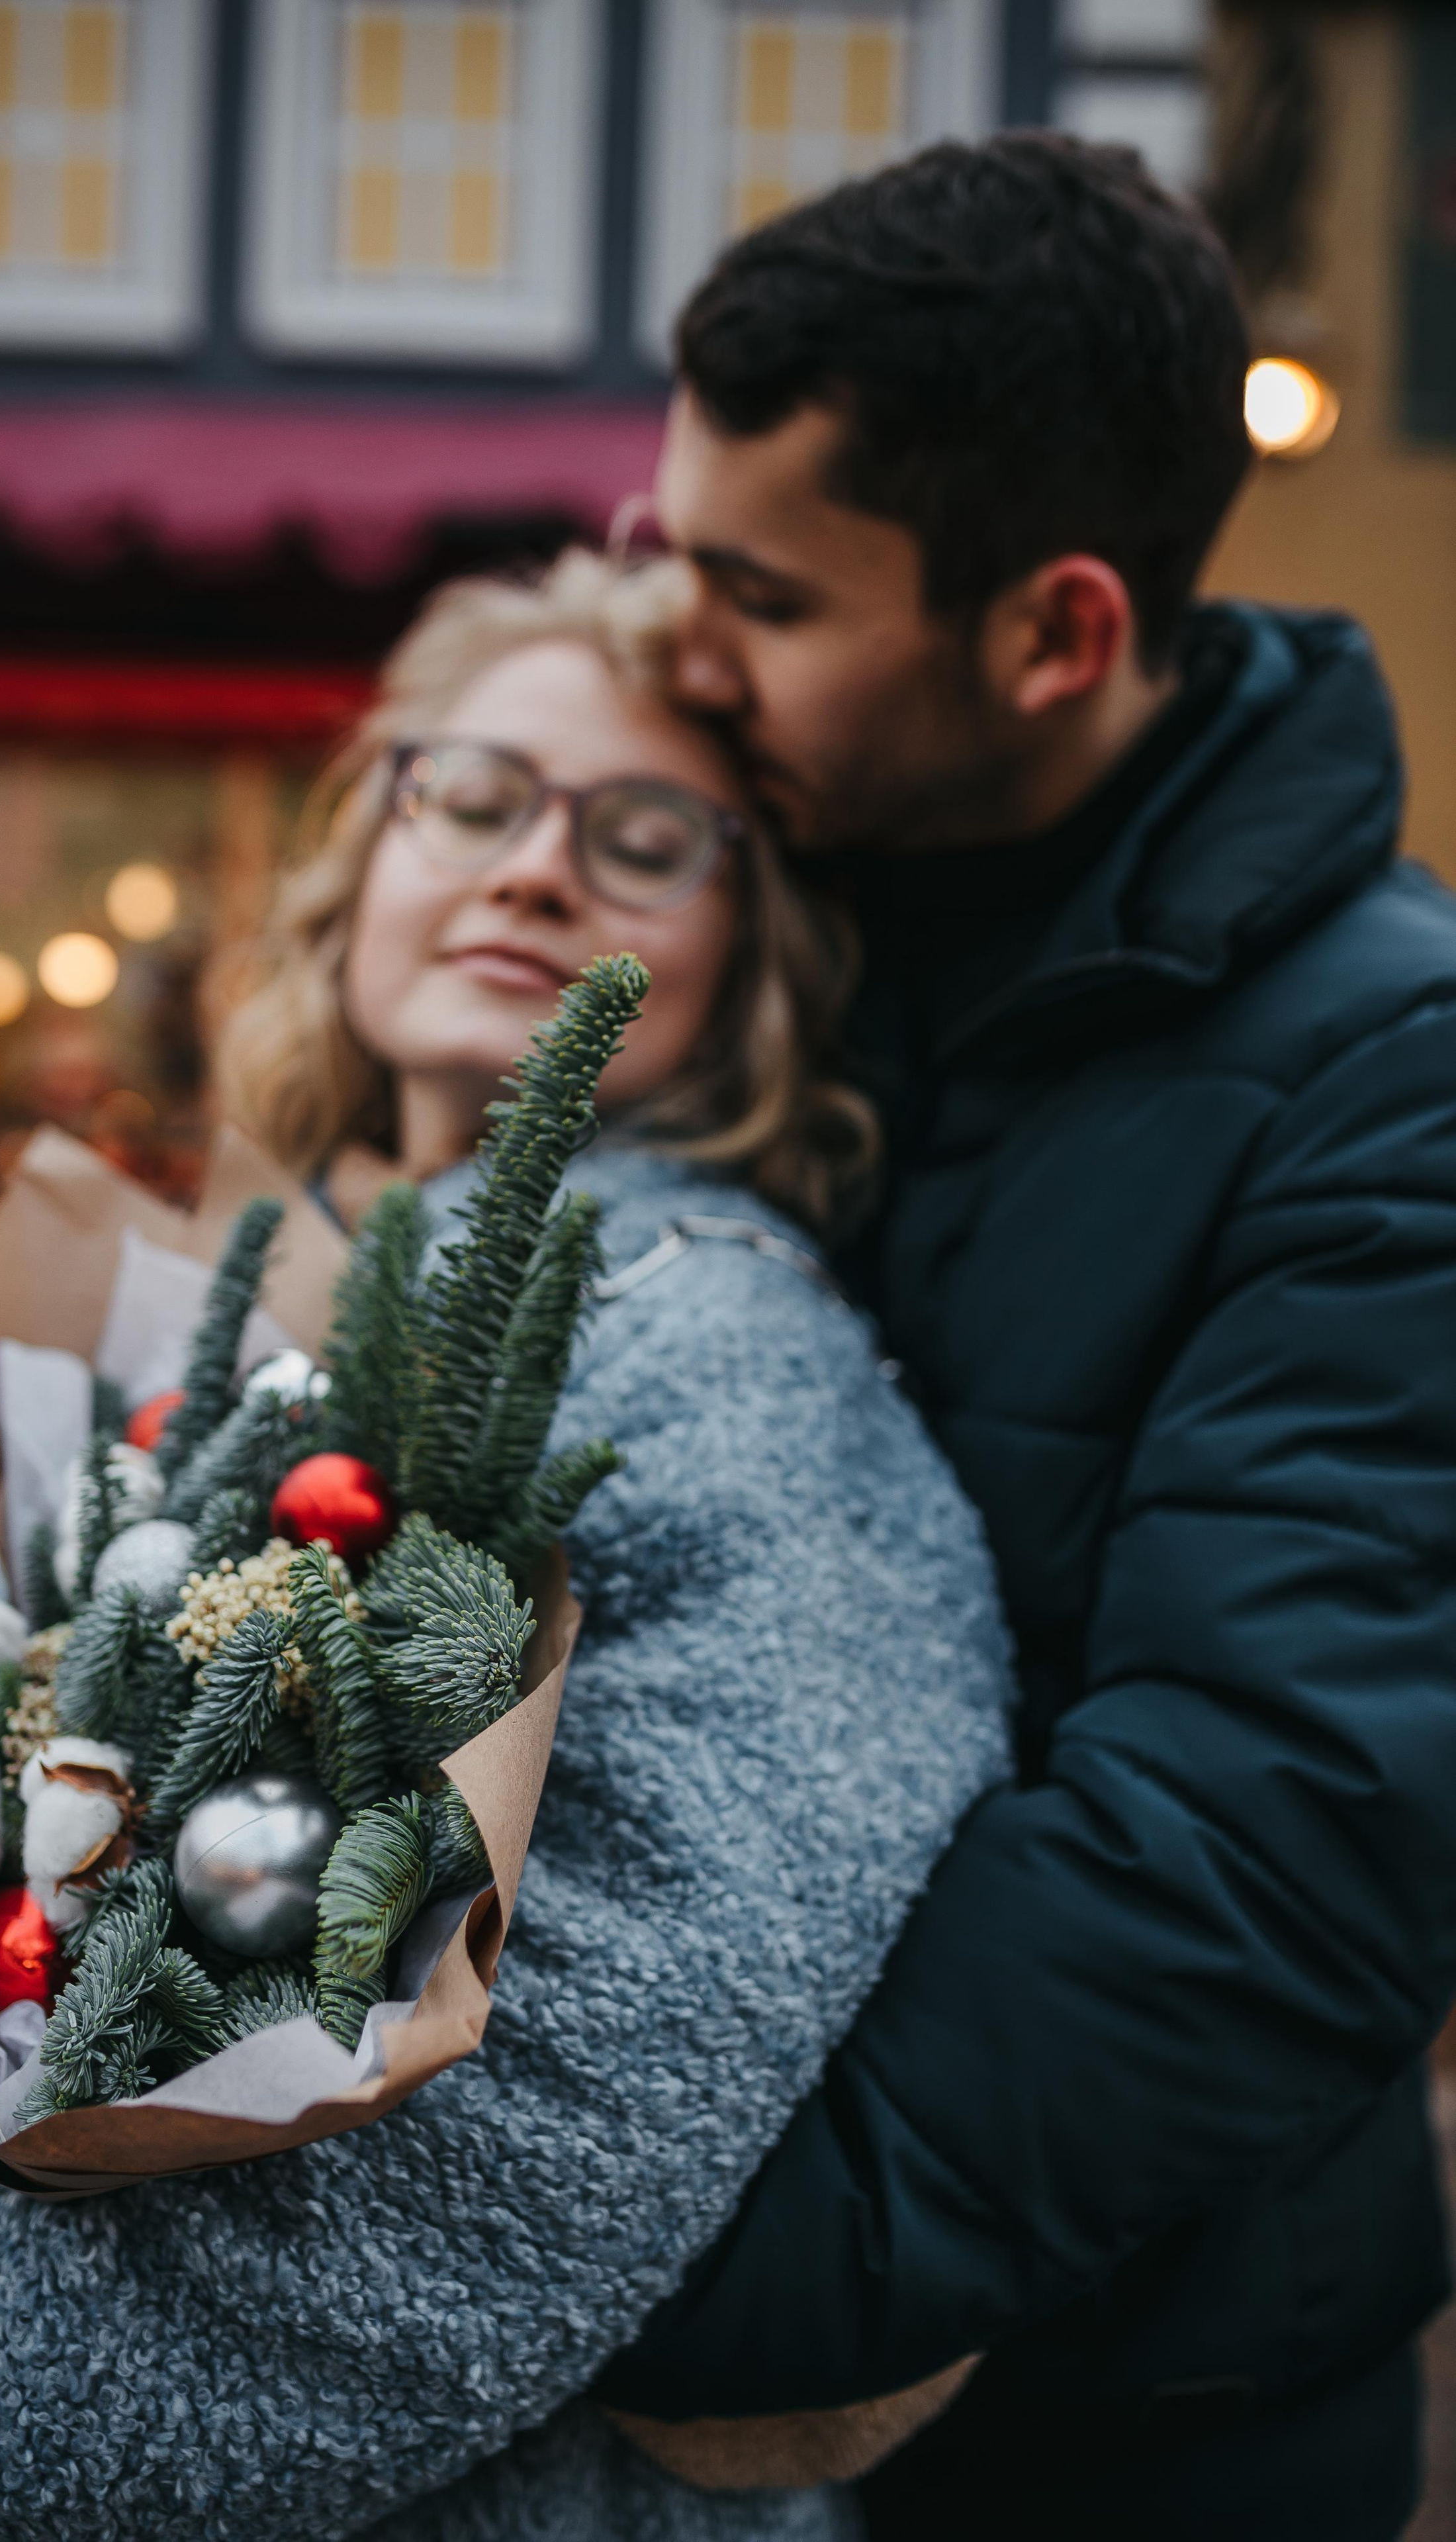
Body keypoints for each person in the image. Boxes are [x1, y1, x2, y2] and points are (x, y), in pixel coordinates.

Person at [0, 552, 1011, 2542]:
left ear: (754, 956)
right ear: (367, 850)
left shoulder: (722, 1350)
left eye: (645, 835)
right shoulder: (317, 1304)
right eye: (478, 794)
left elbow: (552, 2143)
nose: (538, 869)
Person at [592, 131, 1456, 2541]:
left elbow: (1270, 1851)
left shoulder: (1398, 1079)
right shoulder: (765, 914)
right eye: (674, 554)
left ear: (1055, 631)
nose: (685, 644)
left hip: (1129, 2437)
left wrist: (612, 2256)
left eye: (760, 592)